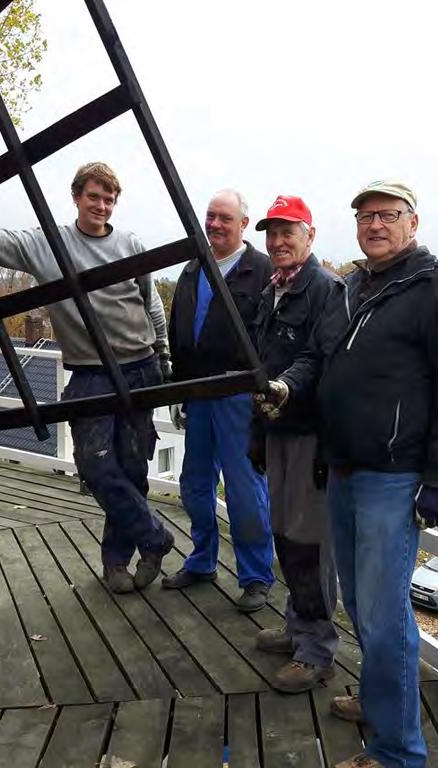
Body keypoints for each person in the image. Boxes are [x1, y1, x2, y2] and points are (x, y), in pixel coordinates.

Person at [0, 161, 175, 594]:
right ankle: (154, 537)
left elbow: (150, 302)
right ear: (77, 197)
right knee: (96, 465)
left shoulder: (130, 244)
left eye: (109, 198)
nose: (101, 205)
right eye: (93, 196)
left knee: (132, 466)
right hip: (91, 373)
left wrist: (163, 354)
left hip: (139, 367)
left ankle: (118, 563)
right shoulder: (49, 245)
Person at [320, 181, 438, 768]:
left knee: (386, 617)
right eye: (365, 215)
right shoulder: (354, 286)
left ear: (413, 222)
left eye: (388, 214)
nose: (374, 224)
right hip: (343, 469)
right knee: (362, 607)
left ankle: (397, 753)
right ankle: (382, 703)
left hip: (392, 476)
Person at [249, 195, 349, 693]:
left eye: (289, 231)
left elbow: (323, 365)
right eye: (272, 233)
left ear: (310, 237)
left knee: (310, 544)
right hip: (280, 431)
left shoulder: (326, 290)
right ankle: (297, 626)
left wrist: (287, 391)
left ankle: (317, 651)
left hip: (311, 435)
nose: (278, 241)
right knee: (286, 534)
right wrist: (258, 433)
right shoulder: (274, 290)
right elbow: (261, 367)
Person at [165, 189, 275, 612]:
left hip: (238, 397)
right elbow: (179, 328)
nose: (214, 224)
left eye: (225, 218)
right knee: (194, 485)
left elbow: (269, 336)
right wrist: (178, 388)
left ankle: (256, 576)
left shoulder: (260, 270)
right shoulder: (193, 269)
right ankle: (202, 560)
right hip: (196, 394)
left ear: (243, 225)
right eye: (210, 216)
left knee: (246, 490)